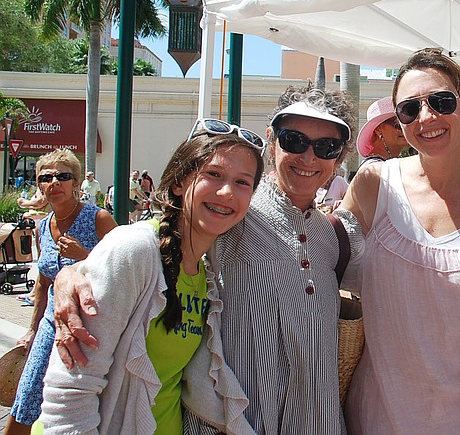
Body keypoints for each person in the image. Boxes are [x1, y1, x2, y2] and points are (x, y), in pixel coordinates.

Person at [52, 86, 360, 435]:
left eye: (326, 147)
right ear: (271, 141)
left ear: (340, 156)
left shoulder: (332, 236)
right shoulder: (234, 210)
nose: (309, 157)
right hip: (229, 423)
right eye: (294, 140)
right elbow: (155, 242)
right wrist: (75, 273)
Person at [338, 48, 460, 434]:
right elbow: (321, 257)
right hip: (378, 416)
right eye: (409, 109)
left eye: (441, 101)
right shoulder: (374, 185)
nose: (426, 117)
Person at [39, 120, 265, 434]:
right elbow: (72, 387)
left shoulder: (206, 272)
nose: (227, 192)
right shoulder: (135, 250)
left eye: (243, 182)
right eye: (213, 174)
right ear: (179, 182)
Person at [4, 149, 117, 435]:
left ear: (76, 184)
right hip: (51, 324)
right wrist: (31, 330)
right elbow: (43, 283)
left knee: (79, 403)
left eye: (62, 176)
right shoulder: (43, 227)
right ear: (40, 186)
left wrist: (85, 256)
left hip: (90, 327)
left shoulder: (98, 219)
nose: (54, 182)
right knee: (27, 394)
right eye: (46, 177)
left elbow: (126, 270)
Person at [355, 96, 410, 170]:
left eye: (406, 122)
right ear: (378, 129)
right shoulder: (373, 168)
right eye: (397, 124)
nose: (403, 129)